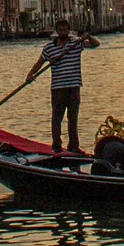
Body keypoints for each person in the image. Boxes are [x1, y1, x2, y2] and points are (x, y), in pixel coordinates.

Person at [29, 21, 99, 153]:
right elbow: (39, 63)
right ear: (57, 31)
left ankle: (74, 146)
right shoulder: (49, 48)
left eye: (65, 30)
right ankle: (56, 146)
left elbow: (96, 45)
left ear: (68, 30)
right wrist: (30, 75)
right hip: (58, 88)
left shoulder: (76, 44)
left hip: (74, 87)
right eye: (60, 30)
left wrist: (88, 37)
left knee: (73, 118)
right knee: (57, 118)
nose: (63, 33)